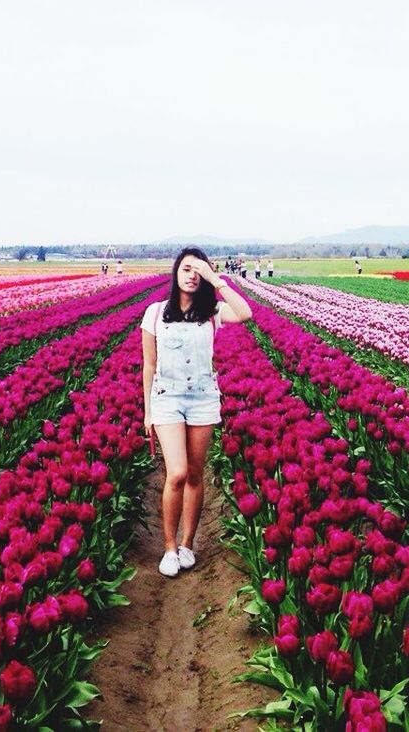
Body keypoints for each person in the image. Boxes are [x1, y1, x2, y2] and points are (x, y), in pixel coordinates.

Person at [142, 247, 252, 578]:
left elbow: (246, 313)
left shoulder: (212, 311)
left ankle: (188, 544)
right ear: (176, 272)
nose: (192, 275)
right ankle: (169, 548)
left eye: (198, 270)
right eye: (187, 268)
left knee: (194, 473)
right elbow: (149, 364)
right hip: (166, 399)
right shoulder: (156, 312)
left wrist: (217, 280)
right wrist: (147, 412)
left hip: (203, 398)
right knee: (175, 473)